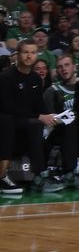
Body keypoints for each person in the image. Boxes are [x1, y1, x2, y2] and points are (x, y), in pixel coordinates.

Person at [0, 41, 63, 194]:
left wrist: (51, 116)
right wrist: (39, 116)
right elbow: (6, 107)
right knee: (35, 124)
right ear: (18, 55)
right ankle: (39, 177)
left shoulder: (35, 78)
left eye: (33, 52)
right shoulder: (6, 76)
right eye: (25, 52)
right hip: (9, 121)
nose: (29, 56)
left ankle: (68, 172)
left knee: (66, 123)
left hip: (28, 121)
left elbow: (39, 105)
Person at [41, 54, 79, 190]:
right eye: (60, 67)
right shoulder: (52, 91)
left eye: (67, 65)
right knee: (70, 124)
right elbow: (50, 120)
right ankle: (69, 174)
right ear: (57, 71)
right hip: (59, 132)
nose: (64, 69)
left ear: (74, 67)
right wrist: (69, 117)